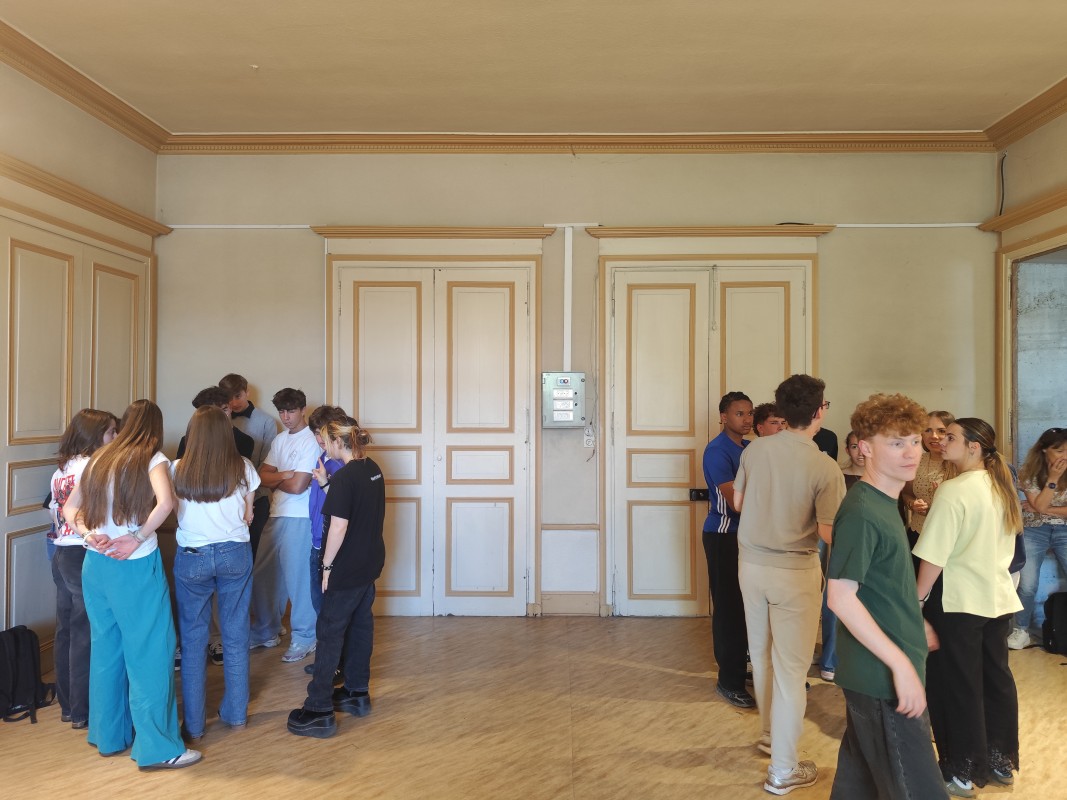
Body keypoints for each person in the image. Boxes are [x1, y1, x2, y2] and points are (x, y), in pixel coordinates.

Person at [63, 400, 200, 769]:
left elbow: (69, 509)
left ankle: (109, 736)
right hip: (134, 566)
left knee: (107, 650)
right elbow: (166, 503)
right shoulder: (152, 458)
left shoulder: (99, 458)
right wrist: (137, 537)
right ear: (155, 428)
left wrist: (88, 535)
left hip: (96, 565)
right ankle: (160, 748)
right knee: (151, 653)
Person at [825, 394, 948, 799]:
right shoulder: (862, 511)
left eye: (914, 440)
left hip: (882, 671)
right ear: (864, 448)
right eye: (896, 443)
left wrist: (913, 619)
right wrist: (900, 665)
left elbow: (881, 585)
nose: (911, 452)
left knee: (859, 786)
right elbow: (840, 597)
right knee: (918, 789)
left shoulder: (884, 502)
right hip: (881, 678)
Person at [734, 374, 845, 795]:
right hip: (795, 571)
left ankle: (770, 735)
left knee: (761, 655)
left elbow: (738, 502)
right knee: (791, 670)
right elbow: (828, 531)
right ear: (818, 411)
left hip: (750, 566)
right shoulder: (824, 466)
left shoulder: (755, 449)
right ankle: (782, 769)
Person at [914, 418, 1022, 797]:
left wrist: (918, 599)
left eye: (951, 436)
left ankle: (961, 770)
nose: (941, 441)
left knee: (956, 686)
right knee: (995, 680)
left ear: (974, 447)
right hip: (997, 598)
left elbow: (934, 554)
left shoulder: (954, 490)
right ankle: (998, 760)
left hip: (959, 602)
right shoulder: (1001, 486)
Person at [287, 416, 385, 738]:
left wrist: (327, 567)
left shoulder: (345, 477)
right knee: (360, 628)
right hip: (368, 564)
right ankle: (357, 693)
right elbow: (353, 508)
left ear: (337, 441)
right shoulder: (372, 469)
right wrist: (326, 485)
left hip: (346, 568)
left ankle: (318, 709)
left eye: (326, 441)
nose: (324, 446)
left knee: (329, 633)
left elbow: (339, 526)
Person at [171, 406, 261, 740]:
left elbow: (175, 511)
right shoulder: (243, 466)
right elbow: (249, 513)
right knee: (236, 635)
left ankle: (194, 725)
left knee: (193, 640)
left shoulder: (176, 468)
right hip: (234, 553)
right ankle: (236, 714)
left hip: (192, 555)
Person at [48, 409, 117, 730]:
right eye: (111, 432)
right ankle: (83, 710)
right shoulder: (94, 466)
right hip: (84, 551)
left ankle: (68, 705)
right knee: (85, 633)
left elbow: (56, 511)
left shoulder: (61, 469)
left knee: (66, 630)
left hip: (61, 550)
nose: (115, 438)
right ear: (94, 436)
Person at [249, 388, 321, 662]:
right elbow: (260, 476)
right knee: (263, 575)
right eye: (282, 411)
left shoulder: (311, 440)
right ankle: (266, 630)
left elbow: (298, 485)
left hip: (300, 517)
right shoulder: (280, 439)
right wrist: (284, 476)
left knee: (299, 579)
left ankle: (305, 636)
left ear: (303, 410)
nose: (286, 416)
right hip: (276, 513)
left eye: (291, 410)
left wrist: (277, 478)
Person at [701, 391, 755, 709]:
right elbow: (736, 501)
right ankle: (728, 682)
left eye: (750, 413)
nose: (746, 419)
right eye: (739, 414)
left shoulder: (748, 448)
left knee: (746, 607)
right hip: (723, 537)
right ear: (723, 417)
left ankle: (740, 668)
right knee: (729, 610)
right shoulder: (717, 451)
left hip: (746, 537)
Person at [1008, 427, 1067, 649]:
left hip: (1064, 529)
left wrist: (1042, 508)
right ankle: (1021, 630)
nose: (1064, 456)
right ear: (1044, 450)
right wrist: (1053, 479)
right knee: (1027, 583)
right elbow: (1039, 506)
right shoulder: (1029, 472)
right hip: (1034, 528)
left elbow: (1040, 506)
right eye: (1059, 450)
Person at [303, 404, 350, 678]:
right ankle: (328, 661)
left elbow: (343, 511)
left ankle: (333, 666)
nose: (319, 439)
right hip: (317, 540)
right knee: (320, 605)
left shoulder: (342, 464)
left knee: (329, 609)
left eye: (322, 433)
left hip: (329, 545)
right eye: (315, 433)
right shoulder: (324, 456)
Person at [220, 373, 279, 560]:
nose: (234, 402)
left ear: (247, 392)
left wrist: (248, 497)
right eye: (229, 397)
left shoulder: (266, 422)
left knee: (254, 554)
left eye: (238, 396)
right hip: (222, 499)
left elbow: (267, 465)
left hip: (256, 498)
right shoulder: (216, 421)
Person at [902, 411, 954, 550]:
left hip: (947, 537)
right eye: (928, 430)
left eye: (941, 431)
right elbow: (906, 493)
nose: (934, 436)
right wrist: (912, 504)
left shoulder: (958, 463)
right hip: (917, 533)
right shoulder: (915, 461)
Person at [175, 386, 254, 460]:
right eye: (212, 414)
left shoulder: (245, 441)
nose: (220, 417)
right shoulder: (188, 440)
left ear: (230, 407)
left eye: (224, 410)